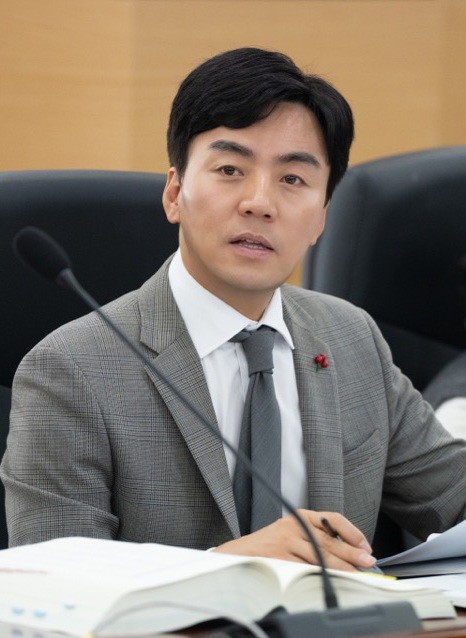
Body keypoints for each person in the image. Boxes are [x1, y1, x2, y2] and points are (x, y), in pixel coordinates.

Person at [2, 48, 466, 572]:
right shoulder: (71, 370)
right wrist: (221, 566)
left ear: (321, 218)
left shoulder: (351, 338)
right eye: (230, 169)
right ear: (175, 193)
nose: (259, 202)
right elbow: (50, 581)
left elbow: (454, 494)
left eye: (292, 179)